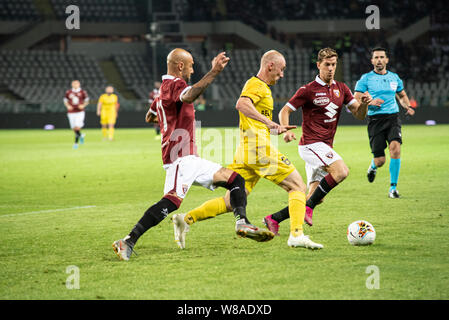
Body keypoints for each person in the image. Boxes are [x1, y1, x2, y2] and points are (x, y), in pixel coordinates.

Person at [112, 49, 273, 261]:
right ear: (180, 66)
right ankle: (127, 241)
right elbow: (188, 95)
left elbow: (150, 116)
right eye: (190, 65)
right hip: (180, 158)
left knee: (235, 179)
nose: (192, 69)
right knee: (171, 201)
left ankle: (241, 222)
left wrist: (169, 121)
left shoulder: (161, 92)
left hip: (190, 158)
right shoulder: (175, 85)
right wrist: (214, 72)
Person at [172, 50, 323, 250]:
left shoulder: (263, 88)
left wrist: (273, 128)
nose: (282, 74)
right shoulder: (256, 85)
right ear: (270, 66)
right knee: (297, 187)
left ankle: (185, 219)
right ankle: (296, 234)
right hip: (258, 148)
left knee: (230, 201)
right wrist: (270, 123)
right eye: (281, 69)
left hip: (247, 151)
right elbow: (241, 104)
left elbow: (253, 116)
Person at [262, 48, 382, 231]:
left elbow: (358, 114)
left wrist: (365, 105)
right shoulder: (308, 90)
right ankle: (308, 209)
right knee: (341, 171)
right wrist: (285, 130)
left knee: (316, 196)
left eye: (334, 64)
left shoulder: (342, 89)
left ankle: (274, 219)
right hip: (310, 145)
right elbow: (285, 110)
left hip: (324, 147)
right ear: (319, 65)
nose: (331, 68)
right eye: (327, 64)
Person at [354, 47, 415, 198]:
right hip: (375, 120)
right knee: (380, 160)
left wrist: (407, 105)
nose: (379, 60)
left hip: (393, 118)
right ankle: (373, 166)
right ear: (372, 61)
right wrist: (370, 102)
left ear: (387, 60)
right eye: (376, 57)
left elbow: (401, 95)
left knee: (395, 148)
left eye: (382, 57)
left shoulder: (394, 77)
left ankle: (393, 189)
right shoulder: (366, 78)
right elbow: (356, 97)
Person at [64, 80, 89, 149]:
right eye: (74, 84)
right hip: (71, 112)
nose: (75, 85)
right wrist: (68, 106)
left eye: (77, 84)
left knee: (77, 127)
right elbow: (65, 100)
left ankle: (75, 143)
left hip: (80, 112)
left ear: (79, 84)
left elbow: (87, 100)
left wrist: (83, 105)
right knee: (74, 128)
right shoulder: (68, 92)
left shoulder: (82, 92)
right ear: (72, 84)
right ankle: (81, 136)